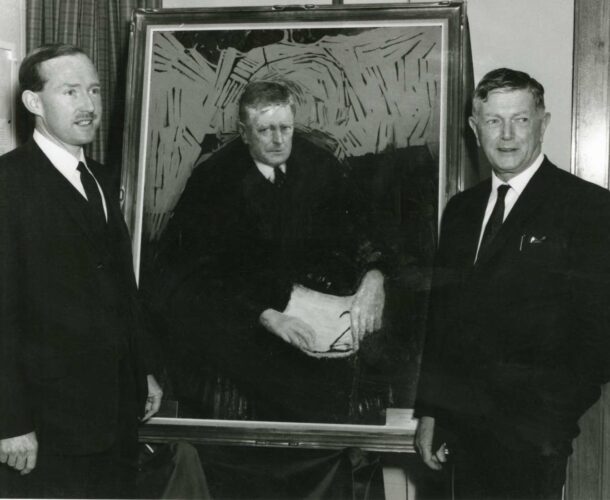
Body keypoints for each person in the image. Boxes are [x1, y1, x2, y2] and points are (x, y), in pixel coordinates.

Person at [414, 67, 610, 499]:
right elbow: (442, 321)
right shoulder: (461, 211)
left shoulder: (588, 208)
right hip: (460, 435)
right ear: (474, 127)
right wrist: (430, 412)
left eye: (520, 119)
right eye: (493, 121)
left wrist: (550, 424)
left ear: (544, 123)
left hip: (534, 439)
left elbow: (598, 337)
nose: (506, 135)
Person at [151, 80, 390, 423]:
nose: (279, 140)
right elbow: (188, 276)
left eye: (285, 128)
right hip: (244, 328)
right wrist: (264, 314)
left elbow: (364, 230)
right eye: (265, 130)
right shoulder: (213, 182)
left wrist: (374, 275)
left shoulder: (319, 165)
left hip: (319, 318)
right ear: (244, 132)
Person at [0, 44, 163, 498]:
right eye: (70, 91)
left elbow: (120, 288)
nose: (89, 105)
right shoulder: (8, 185)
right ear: (34, 102)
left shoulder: (103, 178)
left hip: (114, 416)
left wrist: (142, 370)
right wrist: (9, 422)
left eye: (93, 90)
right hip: (42, 429)